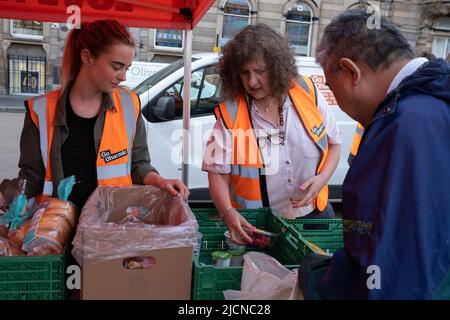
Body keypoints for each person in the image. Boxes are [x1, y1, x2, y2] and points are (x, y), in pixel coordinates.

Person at [303, 9, 450, 299]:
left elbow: (401, 268)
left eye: (333, 89)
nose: (340, 104)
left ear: (350, 72)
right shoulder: (426, 106)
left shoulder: (408, 123)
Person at [0, 19, 188, 212]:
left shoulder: (130, 105)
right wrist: (5, 195)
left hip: (110, 230)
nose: (123, 76)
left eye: (127, 68)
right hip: (57, 230)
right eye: (116, 67)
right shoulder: (40, 110)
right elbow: (32, 177)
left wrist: (160, 181)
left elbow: (139, 164)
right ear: (87, 57)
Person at [202, 24, 342, 245]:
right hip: (261, 226)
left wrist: (322, 180)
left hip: (316, 217)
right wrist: (227, 212)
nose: (251, 82)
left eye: (260, 71)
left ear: (277, 67)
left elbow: (334, 144)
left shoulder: (308, 93)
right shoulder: (229, 113)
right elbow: (216, 172)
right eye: (244, 72)